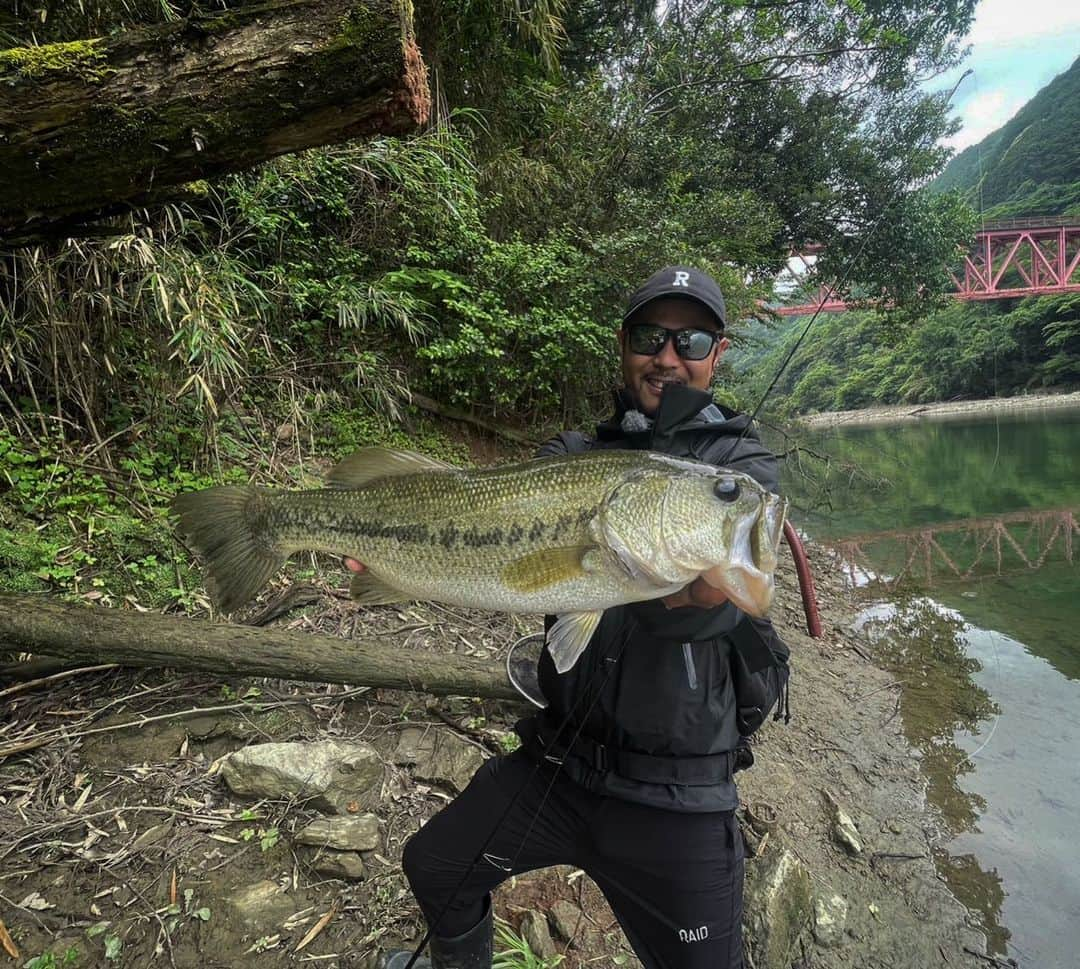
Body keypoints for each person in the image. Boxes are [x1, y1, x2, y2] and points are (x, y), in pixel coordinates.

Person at [370, 266, 790, 969]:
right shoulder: (570, 457)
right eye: (651, 335)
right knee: (436, 865)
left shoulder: (739, 467)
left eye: (691, 338)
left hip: (677, 795)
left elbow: (712, 614)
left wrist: (697, 586)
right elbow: (499, 546)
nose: (668, 355)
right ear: (624, 345)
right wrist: (391, 557)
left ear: (719, 353)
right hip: (558, 766)